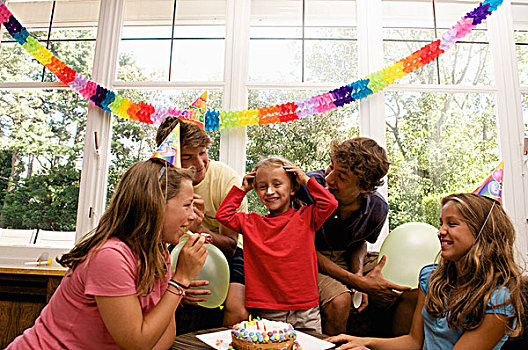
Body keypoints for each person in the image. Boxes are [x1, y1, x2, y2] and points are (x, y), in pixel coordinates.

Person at [7, 160, 208, 349]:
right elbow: (137, 343)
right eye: (187, 205)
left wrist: (176, 287)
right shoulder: (110, 256)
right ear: (155, 205)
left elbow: (162, 340)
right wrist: (180, 280)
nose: (193, 216)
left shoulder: (158, 253)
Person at [327, 193, 524, 350]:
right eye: (441, 223)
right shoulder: (431, 278)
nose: (440, 231)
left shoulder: (499, 300)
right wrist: (364, 342)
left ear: (483, 233)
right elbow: (413, 342)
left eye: (452, 224)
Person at [295, 137, 412, 335]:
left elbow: (360, 242)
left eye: (341, 177)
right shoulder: (307, 189)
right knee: (340, 302)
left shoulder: (378, 208)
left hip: (345, 257)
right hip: (307, 257)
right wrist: (357, 282)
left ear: (364, 188)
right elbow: (302, 249)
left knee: (407, 289)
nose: (329, 179)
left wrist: (358, 273)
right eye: (330, 167)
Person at [216, 157, 338, 332]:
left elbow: (330, 203)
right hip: (268, 309)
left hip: (306, 309)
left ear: (293, 189)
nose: (270, 191)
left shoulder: (307, 216)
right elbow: (224, 215)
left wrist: (304, 180)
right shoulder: (251, 222)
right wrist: (242, 189)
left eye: (277, 184)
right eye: (262, 187)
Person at [156, 117, 248, 327]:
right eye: (188, 156)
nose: (200, 164)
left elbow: (231, 246)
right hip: (172, 249)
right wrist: (176, 284)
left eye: (203, 153)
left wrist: (199, 228)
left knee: (237, 310)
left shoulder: (227, 180)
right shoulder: (159, 182)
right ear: (170, 159)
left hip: (224, 251)